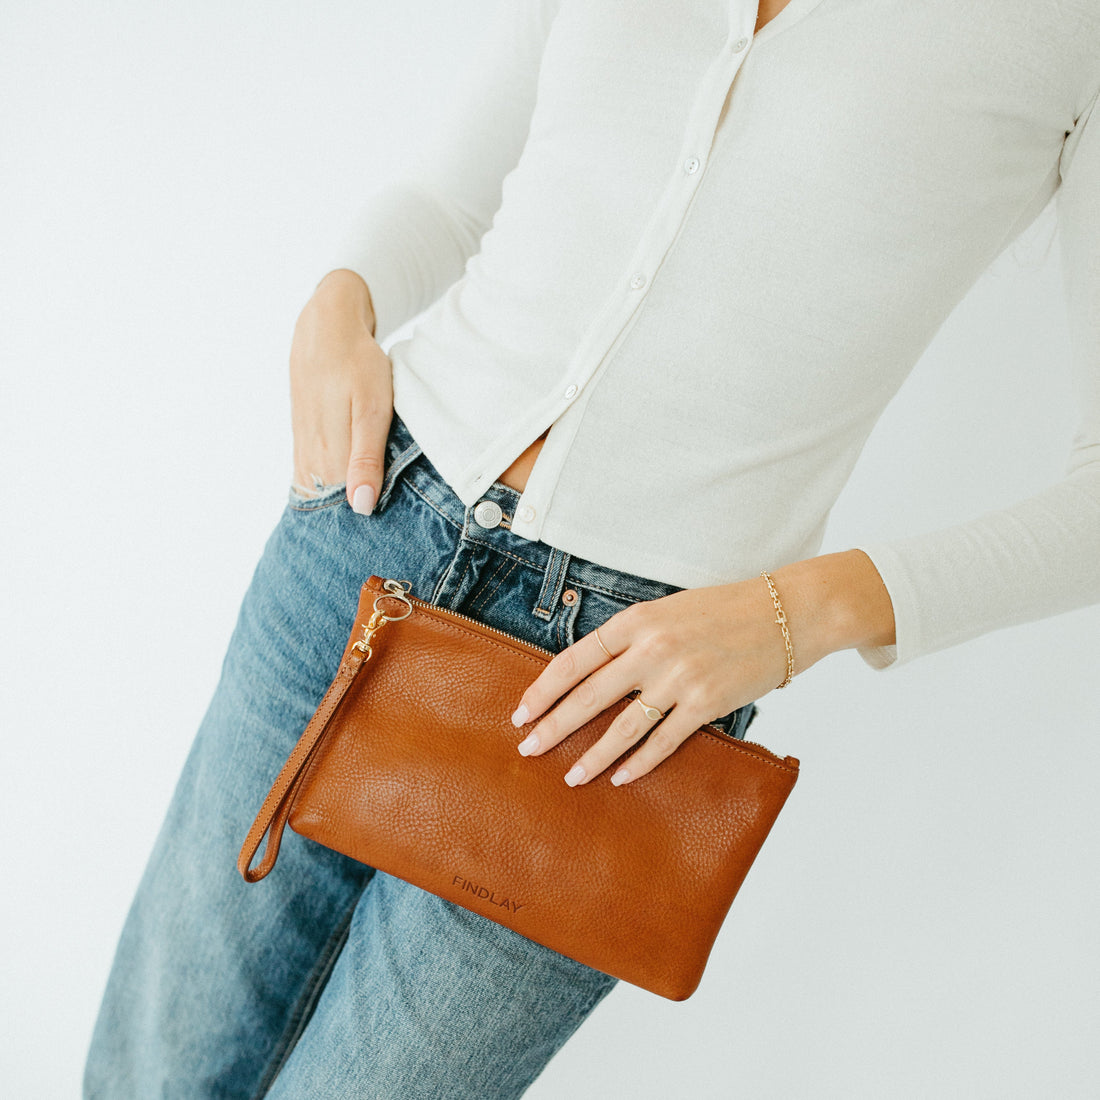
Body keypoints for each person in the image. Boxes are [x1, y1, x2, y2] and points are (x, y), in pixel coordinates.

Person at [83, 0, 1100, 1096]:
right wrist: (340, 305)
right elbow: (451, 194)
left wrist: (798, 612)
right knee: (154, 1069)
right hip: (364, 536)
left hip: (622, 701)